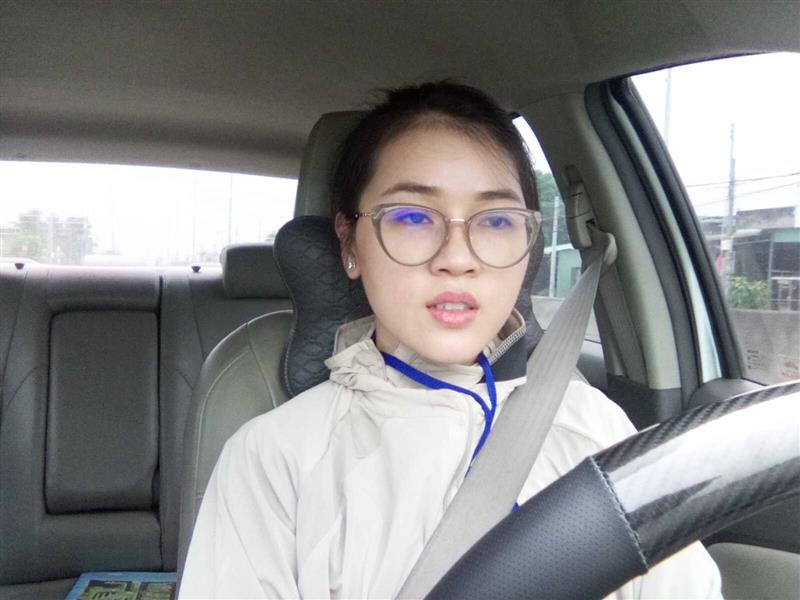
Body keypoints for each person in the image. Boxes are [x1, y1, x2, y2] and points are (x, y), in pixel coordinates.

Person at [179, 82, 721, 599]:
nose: (457, 258)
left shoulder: (596, 429)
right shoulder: (274, 459)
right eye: (413, 216)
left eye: (496, 221)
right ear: (349, 245)